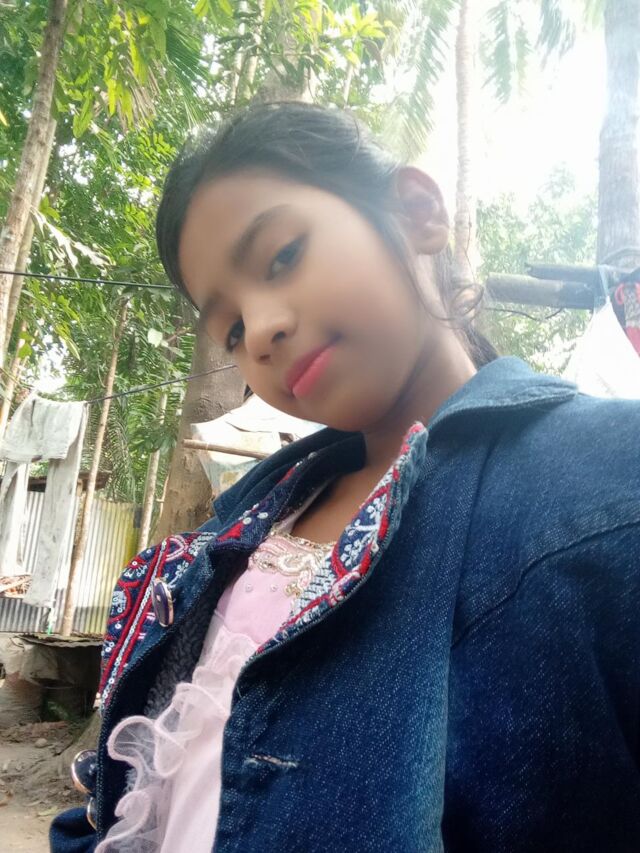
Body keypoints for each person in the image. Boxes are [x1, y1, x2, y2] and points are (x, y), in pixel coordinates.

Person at [51, 102, 640, 853]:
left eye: (282, 256)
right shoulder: (245, 521)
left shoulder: (608, 479)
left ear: (416, 211)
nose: (262, 331)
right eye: (232, 328)